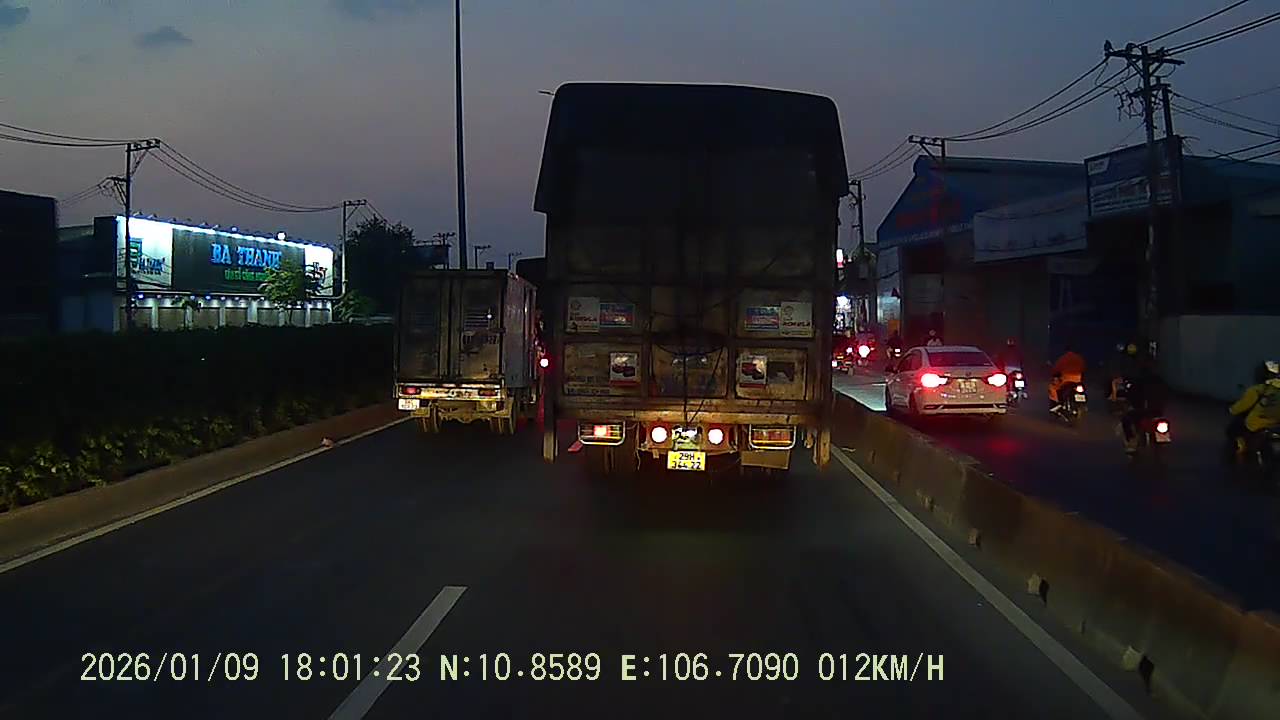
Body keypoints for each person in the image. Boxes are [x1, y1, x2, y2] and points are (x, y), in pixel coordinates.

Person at [1227, 360, 1280, 459]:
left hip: (1257, 424)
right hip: (1277, 425)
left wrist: (1231, 410)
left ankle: (1241, 450)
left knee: (1233, 429)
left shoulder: (1258, 389)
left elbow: (1242, 406)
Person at [1119, 353, 1167, 453]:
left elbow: (1131, 394)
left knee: (1126, 420)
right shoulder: (1159, 379)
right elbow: (1166, 394)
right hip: (1157, 412)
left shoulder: (1138, 380)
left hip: (1142, 411)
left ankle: (1131, 441)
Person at [1048, 344, 1086, 412]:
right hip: (1078, 379)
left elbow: (1056, 368)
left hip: (1066, 379)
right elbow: (1083, 368)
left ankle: (1057, 403)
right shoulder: (1079, 358)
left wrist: (1054, 373)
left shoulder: (1063, 358)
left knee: (1053, 387)